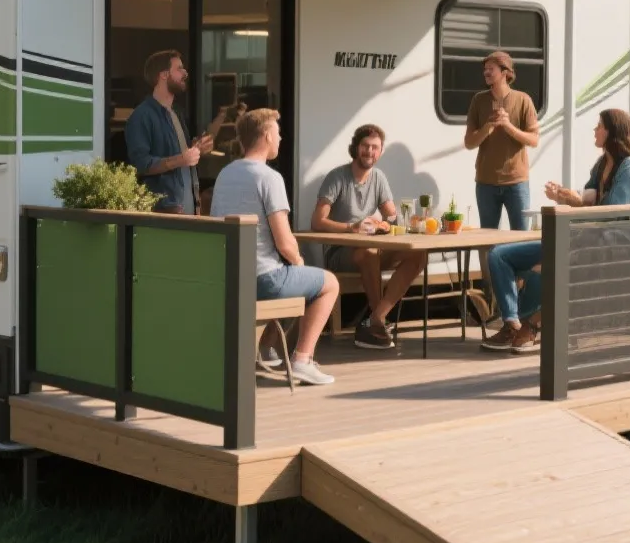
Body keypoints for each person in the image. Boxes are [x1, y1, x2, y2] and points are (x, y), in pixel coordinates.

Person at [482, 108, 630, 355]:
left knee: (543, 268)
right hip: (589, 238)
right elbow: (587, 199)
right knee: (499, 255)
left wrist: (574, 202)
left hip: (623, 248)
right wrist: (564, 195)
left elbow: (609, 214)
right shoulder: (602, 165)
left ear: (613, 132)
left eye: (599, 126)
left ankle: (534, 327)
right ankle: (512, 324)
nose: (595, 130)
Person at [209, 108, 339, 386]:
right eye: (278, 133)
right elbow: (284, 240)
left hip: (230, 276)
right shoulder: (268, 177)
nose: (280, 139)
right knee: (327, 283)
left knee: (294, 278)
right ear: (267, 135)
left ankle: (266, 350)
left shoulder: (225, 175)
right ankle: (302, 360)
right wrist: (299, 261)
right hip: (263, 279)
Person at [309, 124, 429, 350]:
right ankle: (376, 326)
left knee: (418, 255)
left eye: (375, 148)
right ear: (356, 147)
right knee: (368, 252)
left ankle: (377, 319)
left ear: (380, 152)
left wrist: (384, 223)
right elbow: (317, 221)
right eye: (365, 146)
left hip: (370, 248)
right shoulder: (337, 177)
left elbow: (392, 216)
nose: (369, 152)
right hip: (340, 252)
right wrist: (350, 228)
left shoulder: (379, 178)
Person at [124, 50, 211, 215]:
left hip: (187, 211)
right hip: (165, 213)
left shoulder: (176, 113)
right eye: (179, 69)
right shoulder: (141, 116)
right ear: (163, 75)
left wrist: (196, 148)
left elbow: (180, 157)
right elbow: (141, 164)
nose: (185, 73)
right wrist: (180, 159)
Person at [463, 50, 541, 230]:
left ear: (505, 72)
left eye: (491, 68)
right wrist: (487, 128)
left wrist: (508, 126)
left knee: (520, 238)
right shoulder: (479, 100)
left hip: (516, 182)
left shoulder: (523, 100)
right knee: (488, 239)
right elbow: (469, 143)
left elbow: (534, 140)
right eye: (485, 69)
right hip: (486, 182)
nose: (486, 72)